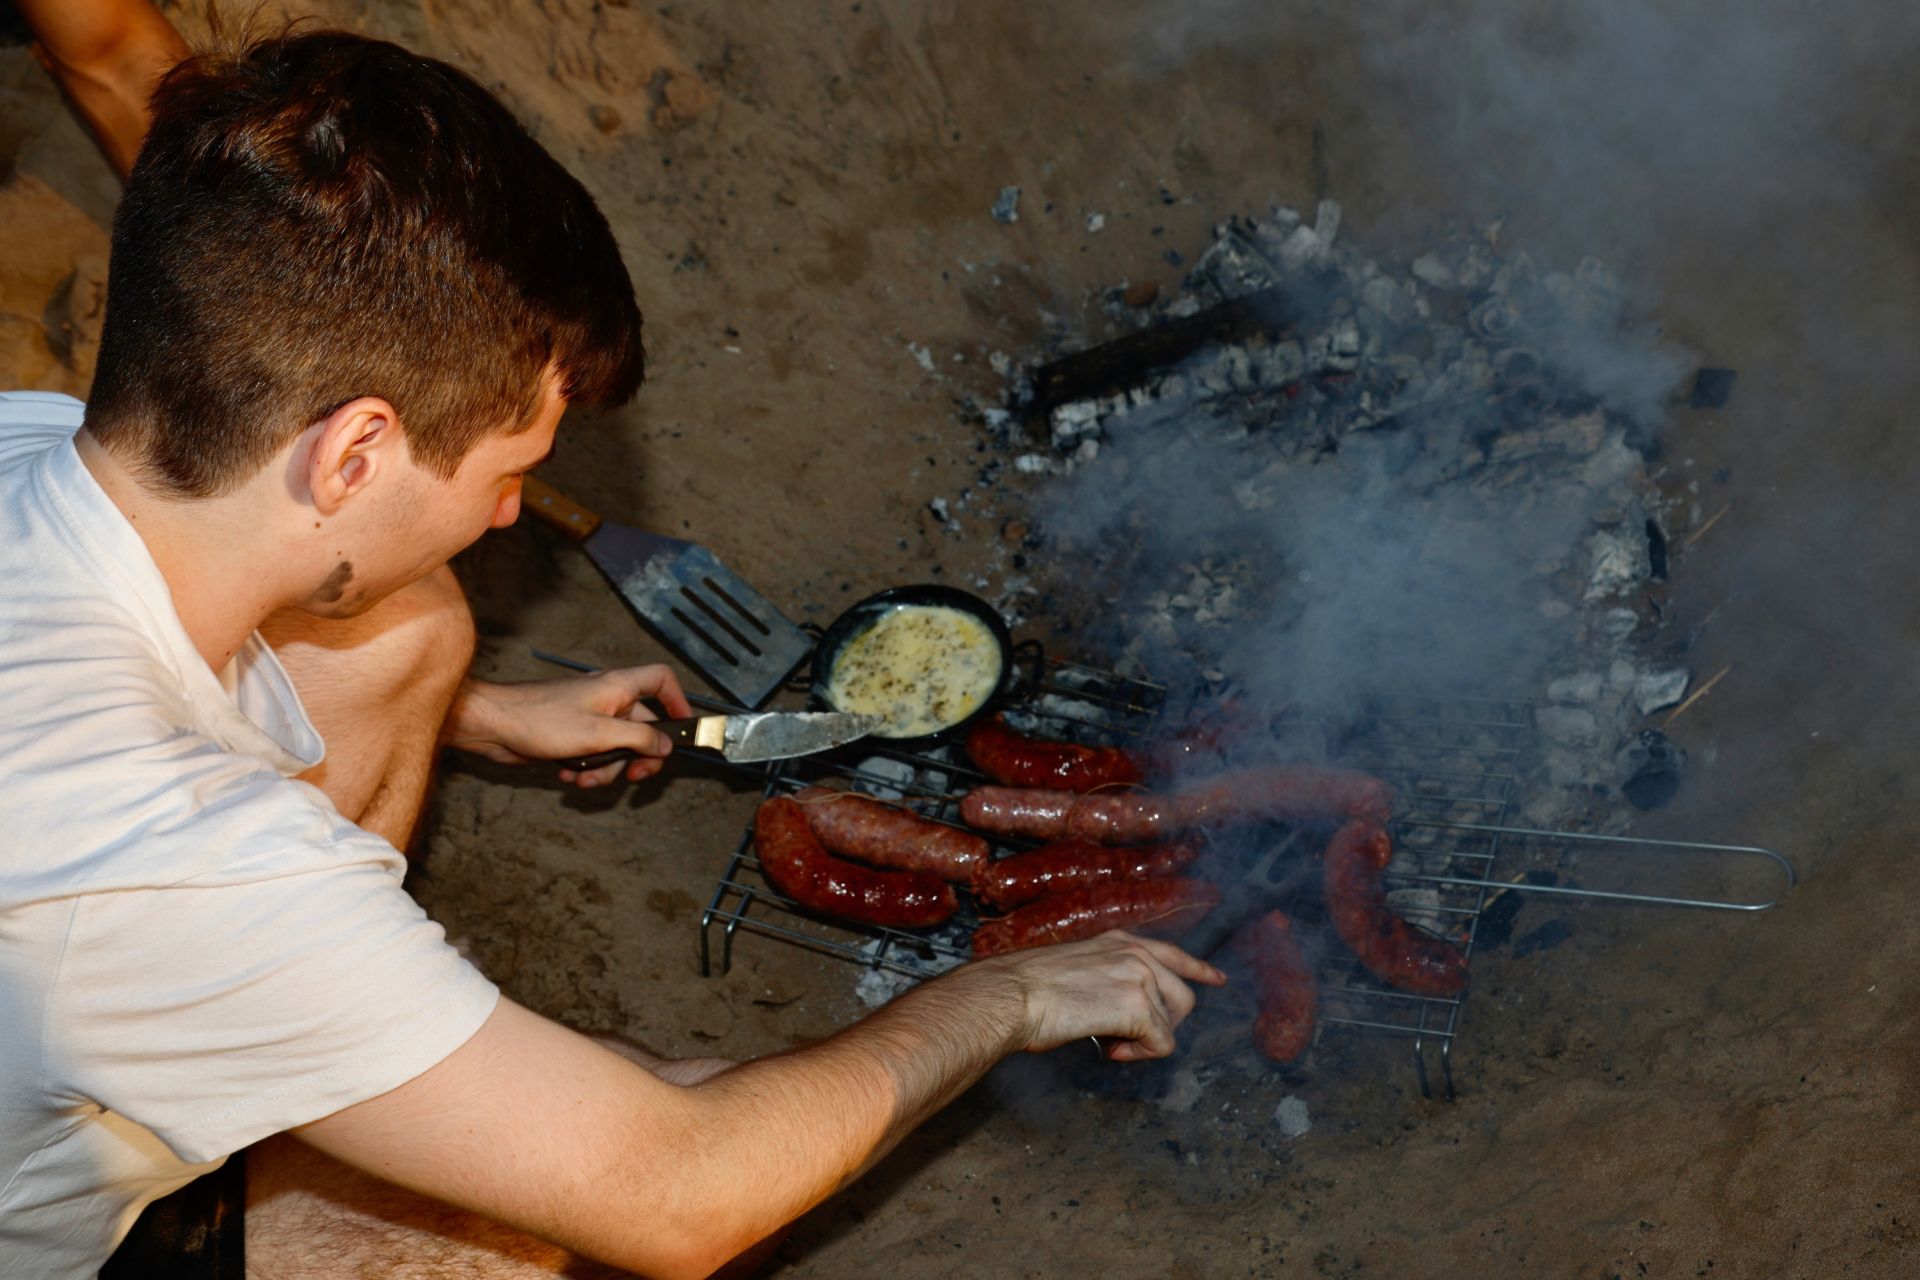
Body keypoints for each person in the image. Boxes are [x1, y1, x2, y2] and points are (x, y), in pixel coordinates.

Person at [0, 15, 1226, 1280]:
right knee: (514, 1244)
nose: (510, 512)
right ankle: (356, 1037)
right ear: (353, 452)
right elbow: (678, 1194)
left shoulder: (30, 438)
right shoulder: (171, 867)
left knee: (406, 634)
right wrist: (1011, 995)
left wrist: (485, 708)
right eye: (511, 467)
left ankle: (370, 1035)